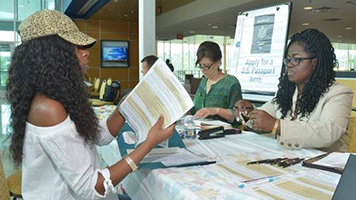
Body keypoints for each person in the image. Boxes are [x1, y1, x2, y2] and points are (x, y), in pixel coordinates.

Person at [7, 10, 175, 200]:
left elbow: (98, 136)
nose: (86, 52)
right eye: (76, 47)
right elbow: (91, 189)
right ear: (51, 55)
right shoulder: (49, 109)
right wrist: (149, 143)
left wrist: (123, 109)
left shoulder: (56, 98)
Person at [235, 28, 353, 152]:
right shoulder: (287, 93)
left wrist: (277, 125)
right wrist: (248, 113)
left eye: (296, 59)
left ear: (315, 62)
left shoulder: (338, 93)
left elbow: (328, 133)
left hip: (324, 165)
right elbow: (263, 118)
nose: (289, 64)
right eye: (288, 59)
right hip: (289, 162)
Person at [191, 41, 242, 124]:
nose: (203, 70)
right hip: (201, 129)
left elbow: (237, 115)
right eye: (200, 66)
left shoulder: (231, 83)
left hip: (224, 133)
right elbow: (196, 108)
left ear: (218, 62)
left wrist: (216, 110)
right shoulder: (204, 81)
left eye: (206, 66)